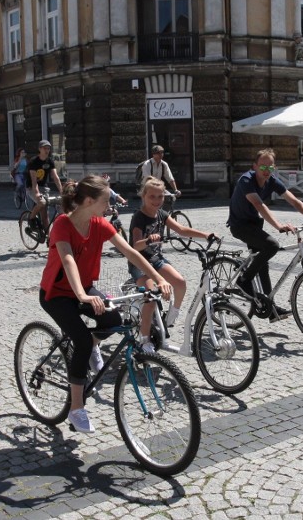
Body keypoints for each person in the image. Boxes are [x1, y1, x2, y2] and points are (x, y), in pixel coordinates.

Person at [39, 175, 173, 433]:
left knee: (113, 320)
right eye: (106, 201)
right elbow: (67, 260)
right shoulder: (62, 225)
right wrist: (82, 295)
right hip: (56, 293)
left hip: (85, 288)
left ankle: (92, 347)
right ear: (89, 201)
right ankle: (76, 409)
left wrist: (157, 278)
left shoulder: (99, 224)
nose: (110, 206)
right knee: (79, 340)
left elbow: (131, 252)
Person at [227, 149, 303, 317]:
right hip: (240, 225)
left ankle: (269, 307)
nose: (266, 171)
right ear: (254, 166)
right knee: (272, 245)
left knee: (263, 264)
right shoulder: (246, 180)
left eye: (270, 168)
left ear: (274, 169)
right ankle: (243, 281)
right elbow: (259, 205)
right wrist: (278, 225)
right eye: (262, 166)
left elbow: (293, 200)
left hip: (255, 225)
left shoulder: (271, 181)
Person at [130, 176, 214, 352]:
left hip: (156, 260)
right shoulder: (139, 217)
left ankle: (172, 315)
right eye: (152, 196)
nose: (156, 201)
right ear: (143, 196)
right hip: (139, 263)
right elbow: (135, 246)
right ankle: (144, 339)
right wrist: (148, 240)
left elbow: (181, 230)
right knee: (152, 297)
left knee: (180, 283)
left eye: (160, 197)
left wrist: (205, 234)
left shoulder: (161, 214)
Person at [26, 140, 63, 233]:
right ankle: (31, 218)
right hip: (32, 188)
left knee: (45, 214)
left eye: (48, 148)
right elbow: (34, 181)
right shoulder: (33, 161)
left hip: (44, 187)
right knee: (42, 203)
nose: (47, 150)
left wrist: (62, 191)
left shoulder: (50, 161)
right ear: (39, 149)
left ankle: (48, 237)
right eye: (44, 148)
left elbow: (55, 177)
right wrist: (37, 193)